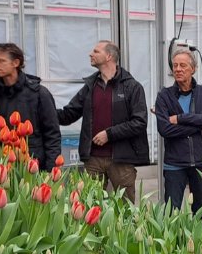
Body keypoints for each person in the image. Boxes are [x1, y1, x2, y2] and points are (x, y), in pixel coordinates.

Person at [57, 41, 149, 202]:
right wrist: (43, 111)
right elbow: (68, 114)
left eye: (96, 51)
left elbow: (139, 122)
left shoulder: (132, 87)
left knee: (124, 208)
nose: (90, 54)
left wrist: (109, 134)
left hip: (122, 160)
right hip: (93, 159)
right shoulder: (90, 87)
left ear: (108, 56)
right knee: (89, 206)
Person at [0, 43, 61, 171]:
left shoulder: (38, 94)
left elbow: (52, 134)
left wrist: (51, 170)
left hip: (31, 165)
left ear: (15, 63)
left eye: (1, 61)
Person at [155, 48, 202, 212]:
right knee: (172, 213)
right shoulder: (164, 96)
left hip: (200, 162)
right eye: (175, 65)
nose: (178, 69)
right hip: (174, 163)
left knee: (201, 212)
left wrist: (181, 118)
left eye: (183, 65)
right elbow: (165, 129)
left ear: (193, 69)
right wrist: (198, 125)